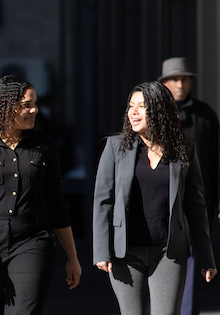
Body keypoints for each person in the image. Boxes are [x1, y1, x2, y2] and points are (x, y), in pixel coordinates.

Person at [0, 75, 82, 314]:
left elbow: (57, 205)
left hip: (32, 240)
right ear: (5, 106)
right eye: (26, 104)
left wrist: (72, 256)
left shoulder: (44, 146)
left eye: (35, 103)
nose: (34, 110)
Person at [93, 81, 217, 314]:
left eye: (142, 107)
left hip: (168, 252)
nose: (134, 112)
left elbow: (196, 205)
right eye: (131, 106)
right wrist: (101, 250)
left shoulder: (184, 149)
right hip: (125, 252)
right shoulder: (115, 147)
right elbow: (103, 201)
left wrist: (207, 257)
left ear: (160, 111)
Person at [158, 57, 220, 315]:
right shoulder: (154, 114)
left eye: (184, 79)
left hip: (197, 199)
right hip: (161, 200)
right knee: (159, 259)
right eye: (175, 79)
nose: (180, 84)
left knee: (194, 260)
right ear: (164, 83)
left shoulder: (205, 115)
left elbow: (217, 158)